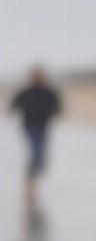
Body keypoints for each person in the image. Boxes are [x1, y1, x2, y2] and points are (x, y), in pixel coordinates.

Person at [9, 67, 62, 202]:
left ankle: (32, 181)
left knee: (41, 158)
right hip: (29, 127)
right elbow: (13, 105)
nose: (37, 79)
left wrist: (54, 113)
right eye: (34, 76)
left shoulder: (49, 91)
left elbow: (58, 106)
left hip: (43, 127)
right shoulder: (25, 92)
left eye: (39, 76)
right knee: (35, 153)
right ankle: (30, 185)